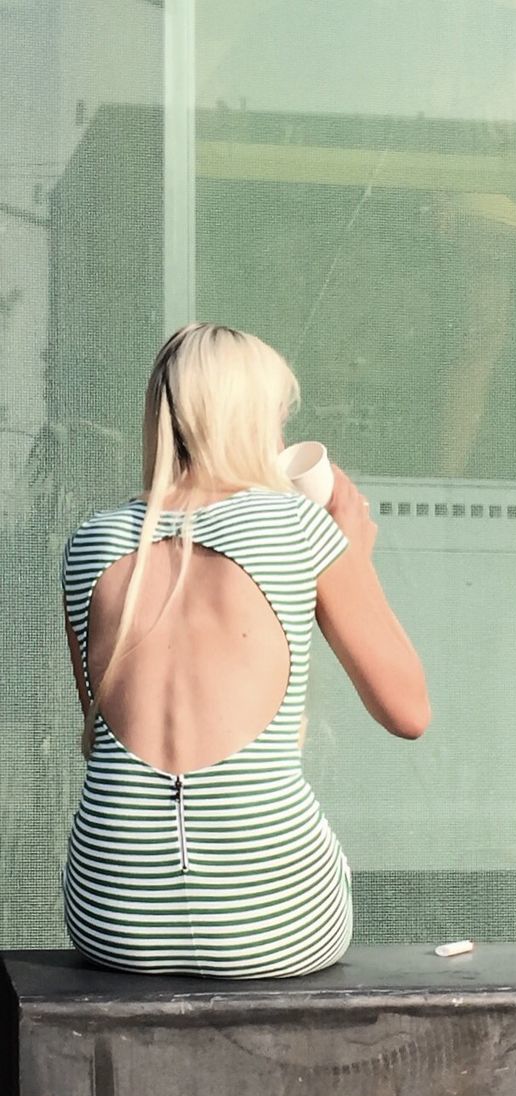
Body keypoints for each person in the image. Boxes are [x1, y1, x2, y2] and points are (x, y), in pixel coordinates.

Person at [59, 323, 429, 979]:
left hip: (112, 918)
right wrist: (353, 559)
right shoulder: (298, 526)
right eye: (279, 419)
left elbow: (104, 728)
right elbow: (409, 713)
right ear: (252, 420)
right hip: (277, 927)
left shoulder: (92, 543)